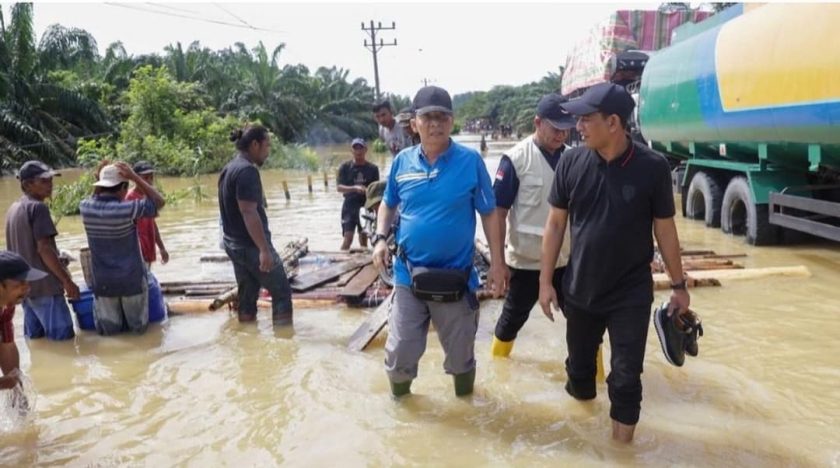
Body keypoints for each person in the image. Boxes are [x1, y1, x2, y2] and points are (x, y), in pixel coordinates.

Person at [538, 83, 690, 443]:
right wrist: (546, 283)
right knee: (579, 375)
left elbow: (665, 231)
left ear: (614, 122)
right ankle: (584, 435)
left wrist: (679, 286)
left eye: (587, 119)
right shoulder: (571, 163)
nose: (578, 126)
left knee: (625, 378)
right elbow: (555, 224)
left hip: (631, 294)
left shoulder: (652, 168)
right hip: (579, 290)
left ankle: (621, 454)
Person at [372, 85, 508, 398]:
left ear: (451, 121)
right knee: (400, 352)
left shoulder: (470, 162)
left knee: (461, 358)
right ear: (414, 123)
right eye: (427, 117)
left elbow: (489, 214)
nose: (435, 124)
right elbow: (388, 203)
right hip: (408, 276)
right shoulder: (402, 163)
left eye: (442, 117)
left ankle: (465, 409)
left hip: (457, 278)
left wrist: (498, 265)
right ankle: (401, 412)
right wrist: (380, 238)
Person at [490, 94, 576, 358]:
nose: (561, 135)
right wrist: (499, 262)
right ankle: (498, 367)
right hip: (526, 262)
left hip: (566, 260)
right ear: (537, 122)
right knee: (511, 321)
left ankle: (592, 382)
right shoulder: (515, 160)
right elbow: (498, 213)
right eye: (555, 128)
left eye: (566, 128)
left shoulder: (576, 159)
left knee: (585, 321)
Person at [219, 125, 294, 325]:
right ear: (254, 144)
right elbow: (248, 212)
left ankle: (247, 340)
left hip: (233, 244)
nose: (268, 152)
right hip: (251, 247)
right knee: (282, 292)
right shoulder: (247, 171)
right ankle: (285, 344)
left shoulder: (229, 168)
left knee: (247, 295)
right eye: (266, 146)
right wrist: (264, 250)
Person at [80, 162, 166, 336]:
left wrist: (102, 179)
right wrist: (135, 177)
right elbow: (159, 202)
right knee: (137, 333)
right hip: (131, 282)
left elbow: (94, 196)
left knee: (110, 336)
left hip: (104, 283)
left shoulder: (85, 208)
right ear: (124, 187)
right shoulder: (128, 209)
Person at [4, 161, 80, 341]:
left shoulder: (14, 209)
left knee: (37, 343)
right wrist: (67, 281)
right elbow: (44, 249)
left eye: (50, 180)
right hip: (46, 289)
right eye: (44, 181)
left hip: (24, 290)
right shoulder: (38, 208)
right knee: (64, 344)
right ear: (28, 184)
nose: (50, 184)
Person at [0, 251, 47, 391]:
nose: (27, 287)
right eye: (20, 282)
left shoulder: (7, 306)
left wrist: (17, 388)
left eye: (26, 281)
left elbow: (7, 345)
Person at [336, 138, 380, 250]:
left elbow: (376, 190)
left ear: (366, 150)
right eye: (355, 148)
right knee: (348, 239)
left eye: (361, 148)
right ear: (351, 150)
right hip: (349, 206)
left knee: (364, 240)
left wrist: (367, 191)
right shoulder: (344, 167)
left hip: (366, 206)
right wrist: (354, 188)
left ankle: (363, 263)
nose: (358, 151)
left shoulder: (373, 169)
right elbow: (339, 188)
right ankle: (341, 262)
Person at [125, 161, 169, 270]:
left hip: (148, 247)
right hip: (138, 251)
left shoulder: (147, 198)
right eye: (145, 178)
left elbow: (152, 224)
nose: (149, 181)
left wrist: (162, 248)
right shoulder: (130, 198)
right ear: (136, 179)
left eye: (151, 177)